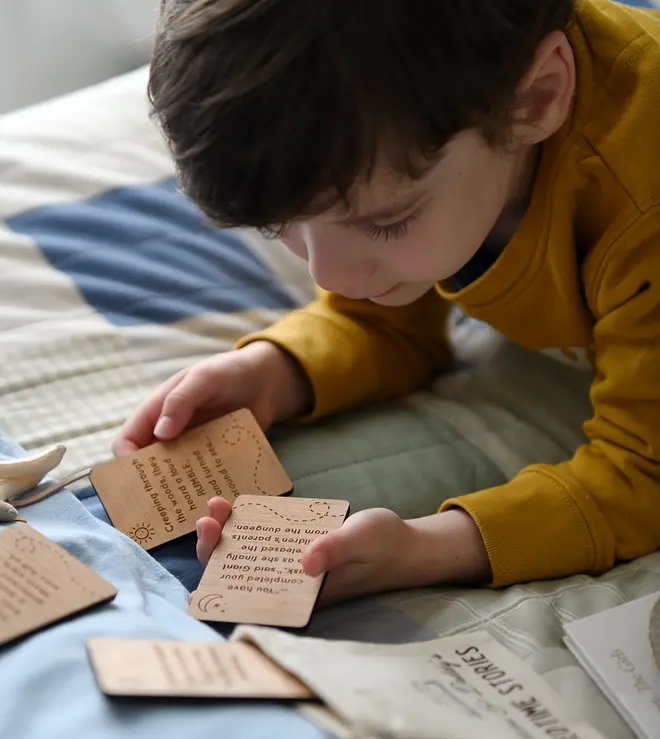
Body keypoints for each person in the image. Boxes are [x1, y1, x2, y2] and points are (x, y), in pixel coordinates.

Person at [113, 0, 660, 603]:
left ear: (535, 100)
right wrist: (276, 371)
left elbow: (646, 475)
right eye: (281, 227)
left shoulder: (644, 206)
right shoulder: (414, 119)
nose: (330, 274)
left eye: (387, 222)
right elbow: (386, 322)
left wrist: (427, 549)